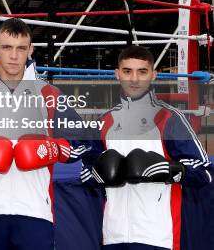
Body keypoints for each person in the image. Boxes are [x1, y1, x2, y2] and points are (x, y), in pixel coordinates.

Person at [0, 18, 89, 250]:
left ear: (30, 50)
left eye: (21, 48)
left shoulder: (49, 94)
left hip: (36, 211)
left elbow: (84, 142)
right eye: (7, 47)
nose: (14, 56)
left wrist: (56, 149)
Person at [81, 45, 212, 250]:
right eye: (127, 71)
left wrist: (170, 170)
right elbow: (86, 174)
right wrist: (96, 175)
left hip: (158, 237)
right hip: (113, 235)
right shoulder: (104, 122)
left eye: (142, 71)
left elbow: (204, 173)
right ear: (117, 74)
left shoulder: (169, 119)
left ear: (153, 75)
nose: (134, 79)